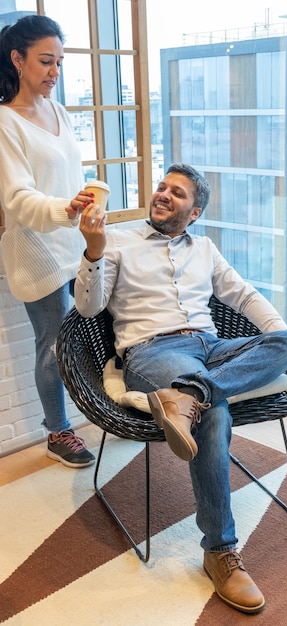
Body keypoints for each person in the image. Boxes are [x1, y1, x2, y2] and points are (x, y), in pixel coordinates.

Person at [75, 163, 287, 613]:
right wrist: (93, 251)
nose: (163, 194)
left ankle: (192, 394)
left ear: (194, 211)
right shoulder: (118, 241)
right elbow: (88, 308)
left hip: (211, 347)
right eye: (161, 187)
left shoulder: (204, 248)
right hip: (153, 352)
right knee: (215, 413)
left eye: (176, 193)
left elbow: (243, 296)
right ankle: (220, 551)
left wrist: (279, 337)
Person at [0, 15, 95, 468]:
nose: (54, 71)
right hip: (36, 252)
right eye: (45, 61)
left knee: (90, 331)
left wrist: (85, 206)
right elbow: (18, 199)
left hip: (73, 245)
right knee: (53, 344)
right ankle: (59, 432)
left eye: (59, 61)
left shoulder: (57, 111)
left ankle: (100, 409)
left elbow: (68, 177)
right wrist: (66, 210)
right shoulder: (5, 122)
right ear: (17, 60)